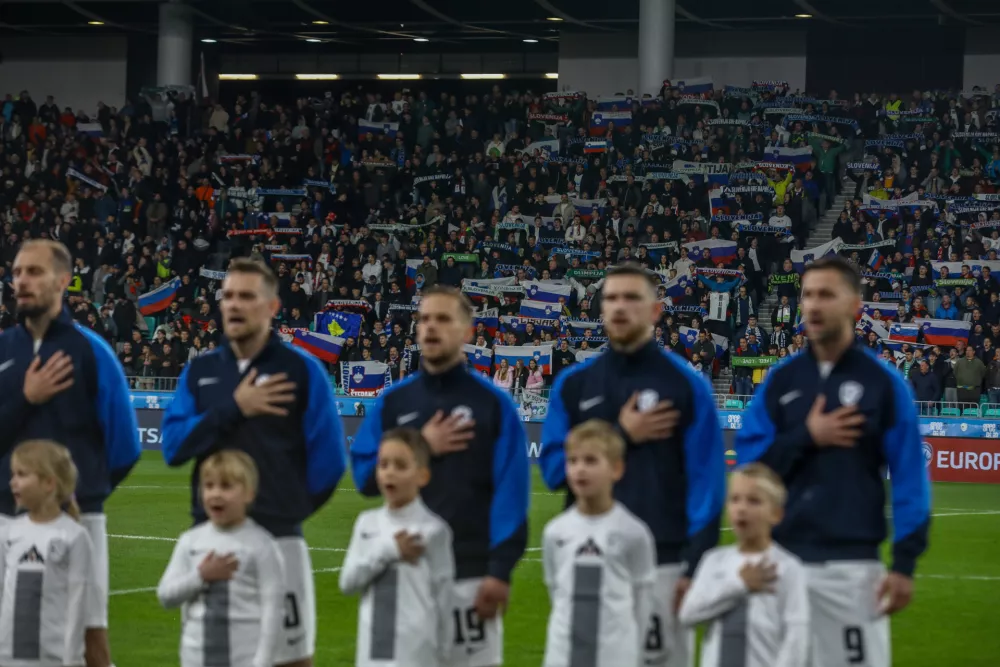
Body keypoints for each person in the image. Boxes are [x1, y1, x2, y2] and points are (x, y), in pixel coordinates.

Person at [735, 256, 931, 667]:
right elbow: (751, 471)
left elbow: (910, 479)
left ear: (855, 304)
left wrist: (904, 563)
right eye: (808, 295)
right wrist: (807, 436)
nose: (813, 305)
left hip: (853, 569)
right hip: (781, 562)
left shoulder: (884, 384)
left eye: (826, 294)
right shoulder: (781, 381)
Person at [161, 258, 347, 667]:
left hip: (280, 541)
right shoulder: (201, 372)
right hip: (212, 543)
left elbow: (330, 461)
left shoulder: (302, 370)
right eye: (228, 296)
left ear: (272, 307)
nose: (234, 304)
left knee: (291, 659)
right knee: (210, 655)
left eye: (246, 296)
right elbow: (173, 447)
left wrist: (282, 514)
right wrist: (234, 407)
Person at [539, 263, 727, 667]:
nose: (620, 307)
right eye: (611, 298)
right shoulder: (575, 384)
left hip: (664, 562)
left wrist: (695, 567)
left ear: (656, 310)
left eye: (631, 298)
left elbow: (707, 486)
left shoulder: (686, 385)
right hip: (589, 557)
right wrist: (620, 433)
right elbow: (554, 469)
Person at [350, 285, 530, 667]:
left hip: (469, 576)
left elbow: (511, 495)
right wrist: (422, 445)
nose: (431, 327)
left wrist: (499, 572)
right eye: (424, 319)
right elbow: (364, 475)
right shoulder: (394, 402)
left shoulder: (493, 405)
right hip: (402, 573)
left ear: (467, 331)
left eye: (443, 319)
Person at [0, 239, 140, 667]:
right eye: (17, 272)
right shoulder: (3, 350)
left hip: (78, 519)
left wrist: (85, 497)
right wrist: (26, 398)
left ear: (63, 281)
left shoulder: (92, 352)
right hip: (6, 517)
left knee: (91, 639)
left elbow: (125, 446)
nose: (21, 281)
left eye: (34, 272)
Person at [541, 420, 656, 667]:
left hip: (615, 656)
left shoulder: (633, 533)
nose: (580, 469)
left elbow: (642, 603)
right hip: (562, 655)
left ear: (616, 469)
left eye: (591, 461)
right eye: (573, 461)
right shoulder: (555, 532)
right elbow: (556, 594)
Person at [157, 450, 286, 667]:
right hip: (195, 658)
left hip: (244, 659)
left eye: (226, 486)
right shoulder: (190, 541)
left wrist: (263, 662)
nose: (216, 494)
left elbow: (274, 610)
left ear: (249, 494)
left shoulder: (262, 545)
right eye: (209, 486)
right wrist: (201, 575)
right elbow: (165, 596)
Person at [340, 428, 454, 667]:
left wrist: (445, 657)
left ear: (422, 475)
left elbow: (444, 601)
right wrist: (389, 550)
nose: (390, 472)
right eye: (383, 465)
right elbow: (347, 583)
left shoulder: (434, 531)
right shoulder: (367, 524)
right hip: (372, 654)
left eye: (400, 466)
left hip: (417, 654)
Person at [679, 463, 809, 667]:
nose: (742, 509)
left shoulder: (788, 567)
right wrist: (739, 585)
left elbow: (796, 635)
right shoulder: (714, 561)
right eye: (735, 499)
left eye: (753, 501)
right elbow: (688, 615)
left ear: (776, 514)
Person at [0, 440, 97, 667]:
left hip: (53, 658)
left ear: (49, 483)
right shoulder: (8, 532)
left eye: (22, 474)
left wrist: (73, 659)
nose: (13, 482)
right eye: (13, 474)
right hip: (7, 657)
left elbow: (77, 605)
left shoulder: (74, 536)